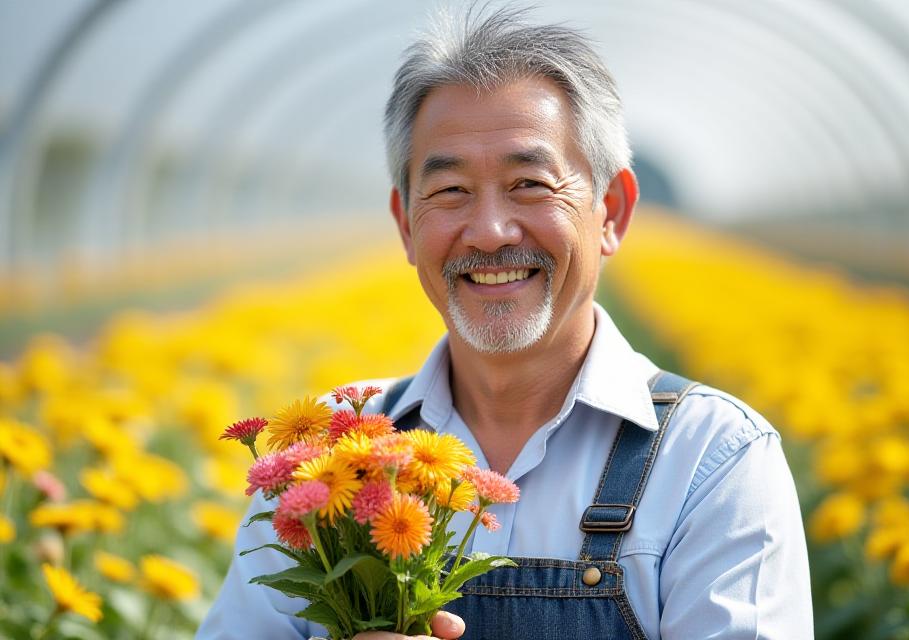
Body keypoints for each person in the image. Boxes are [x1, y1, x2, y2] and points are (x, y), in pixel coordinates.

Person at [198, 6, 813, 639]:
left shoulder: (711, 461)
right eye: (451, 191)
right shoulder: (328, 455)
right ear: (406, 224)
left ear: (611, 211)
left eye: (529, 184)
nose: (490, 233)